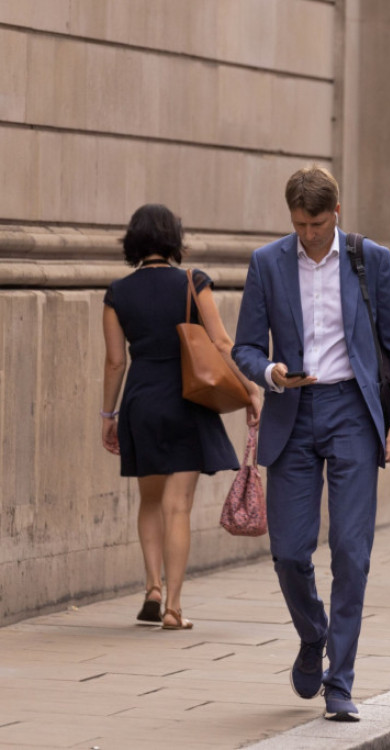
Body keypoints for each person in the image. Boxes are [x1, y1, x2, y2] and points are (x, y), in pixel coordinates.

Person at [232, 166, 390, 722]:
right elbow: (244, 346)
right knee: (290, 552)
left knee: (350, 551)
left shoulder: (370, 259)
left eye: (316, 224)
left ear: (335, 213)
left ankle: (339, 683)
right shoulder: (268, 262)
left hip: (351, 414)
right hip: (292, 411)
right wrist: (269, 371)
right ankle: (313, 633)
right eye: (298, 224)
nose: (308, 235)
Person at [101, 203, 261, 631]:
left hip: (140, 402)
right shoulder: (193, 282)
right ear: (174, 239)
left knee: (150, 501)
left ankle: (152, 587)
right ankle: (173, 607)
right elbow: (223, 342)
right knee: (178, 508)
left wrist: (107, 414)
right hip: (186, 401)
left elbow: (115, 362)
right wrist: (250, 390)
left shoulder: (118, 292)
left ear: (133, 241)